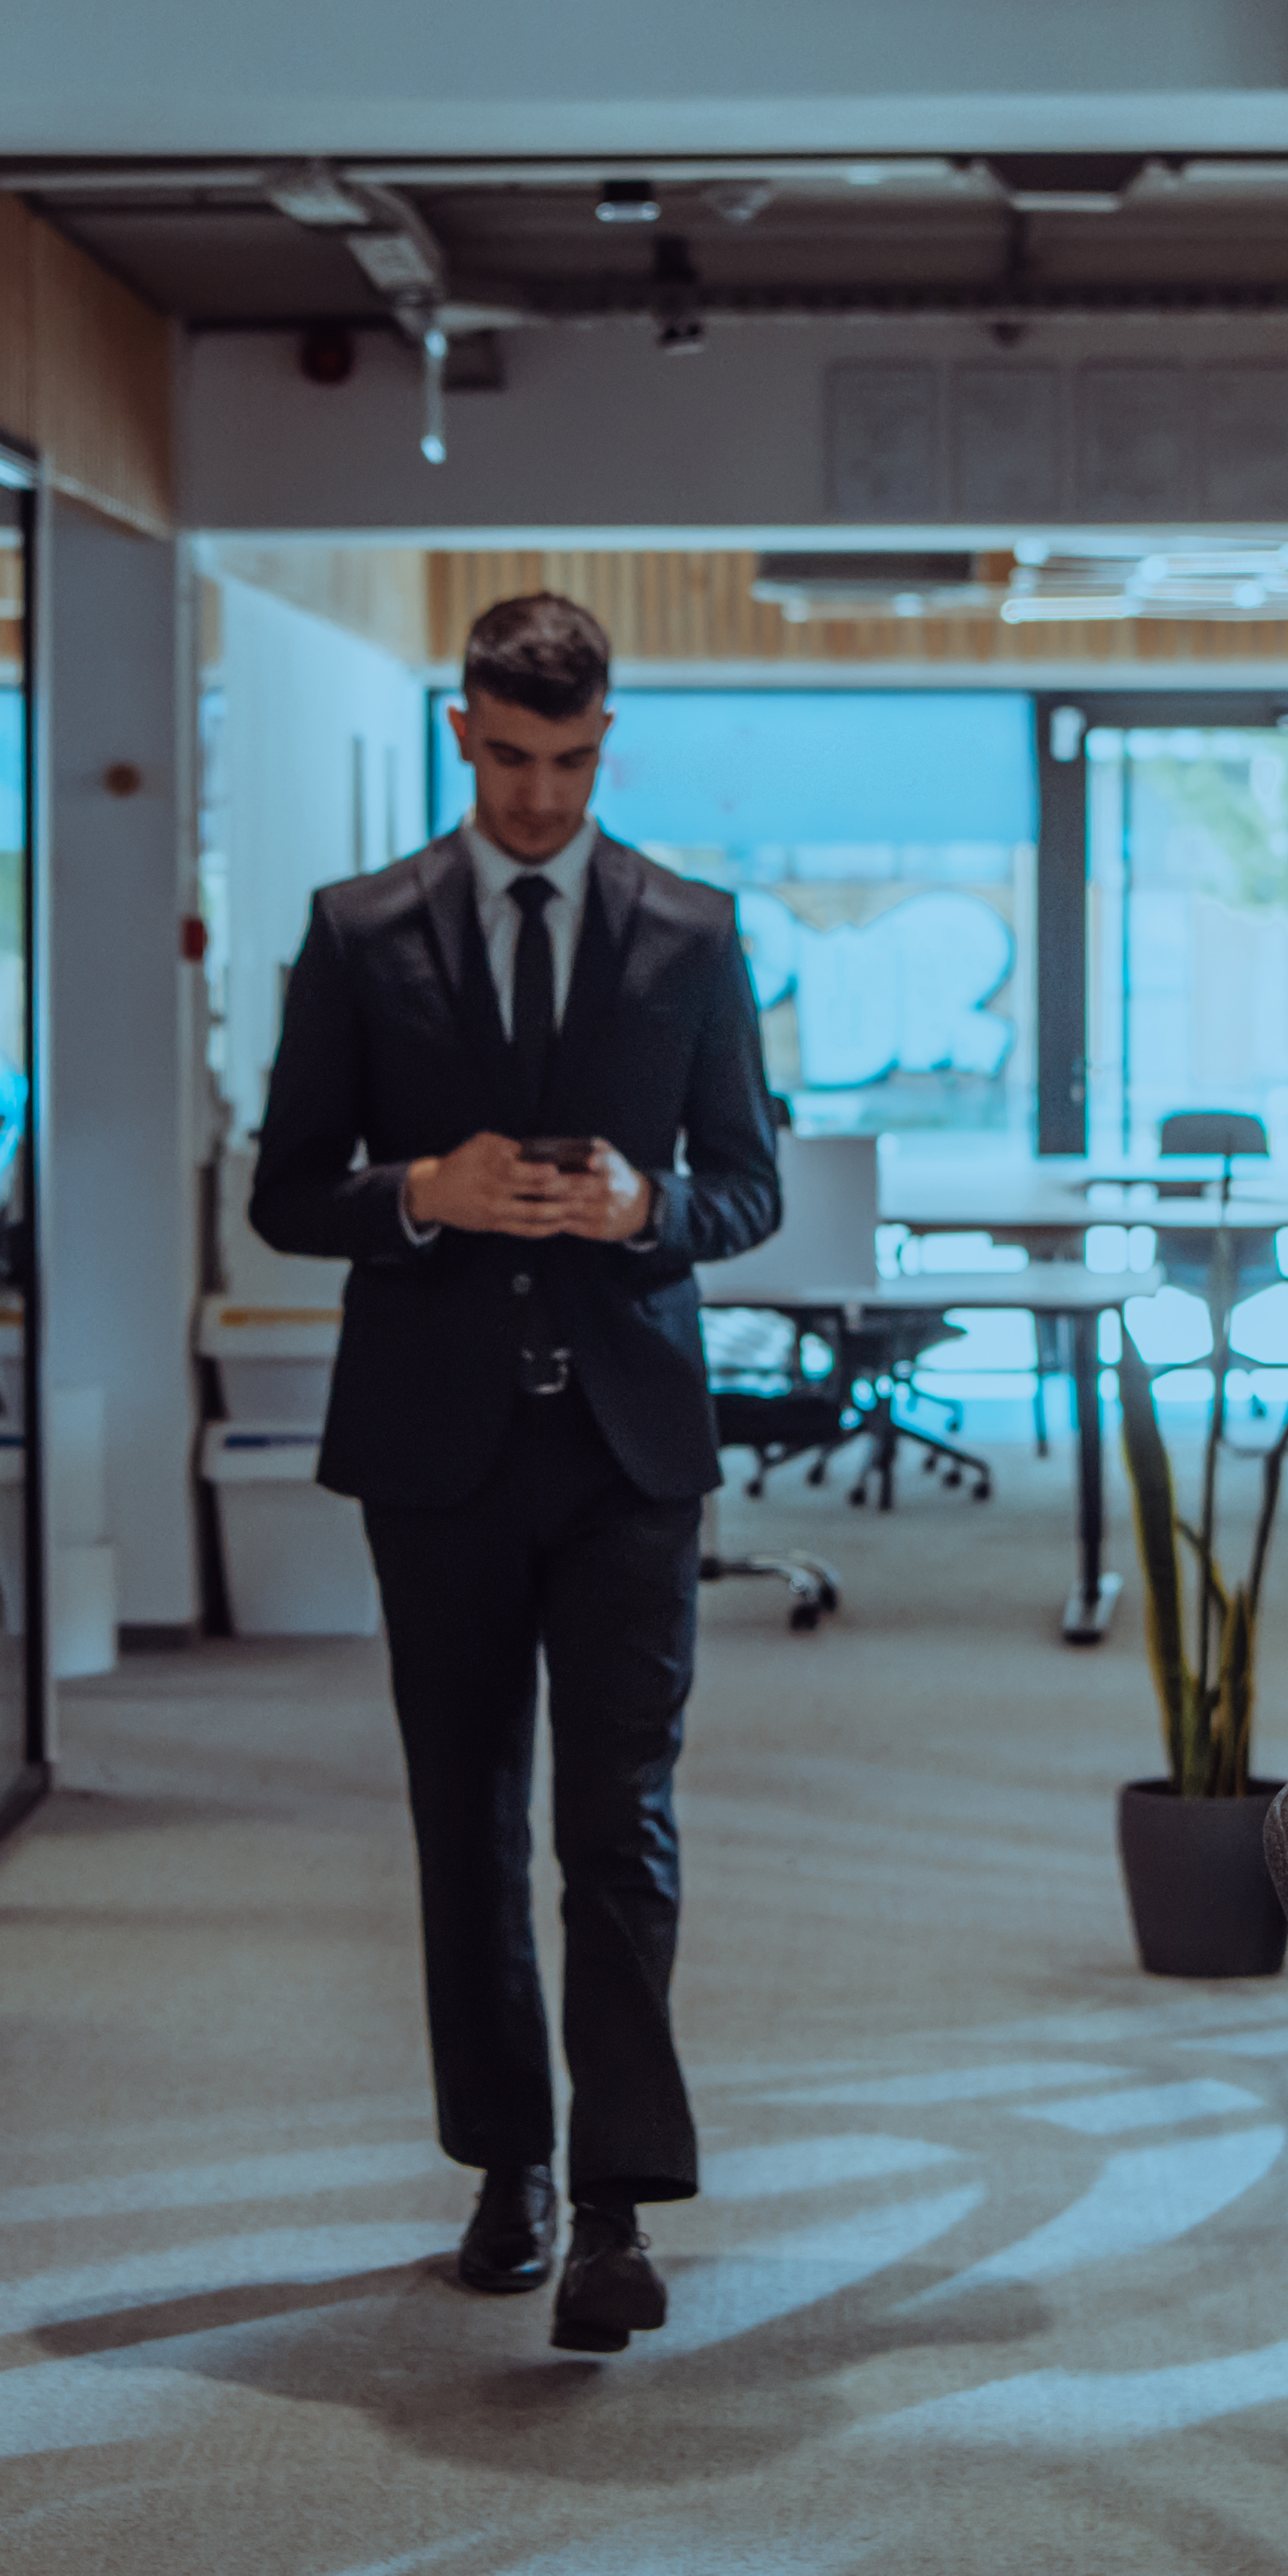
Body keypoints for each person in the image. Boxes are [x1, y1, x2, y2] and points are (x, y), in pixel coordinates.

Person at [244, 589, 783, 2356]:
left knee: (616, 1820)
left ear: (601, 744)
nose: (541, 795)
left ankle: (619, 2205)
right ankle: (506, 2169)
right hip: (439, 1449)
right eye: (510, 756)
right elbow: (283, 1188)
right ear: (460, 732)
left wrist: (649, 1213)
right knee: (463, 1820)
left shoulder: (693, 930)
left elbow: (746, 1187)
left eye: (570, 762)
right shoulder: (357, 929)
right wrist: (420, 1195)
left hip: (630, 1446)